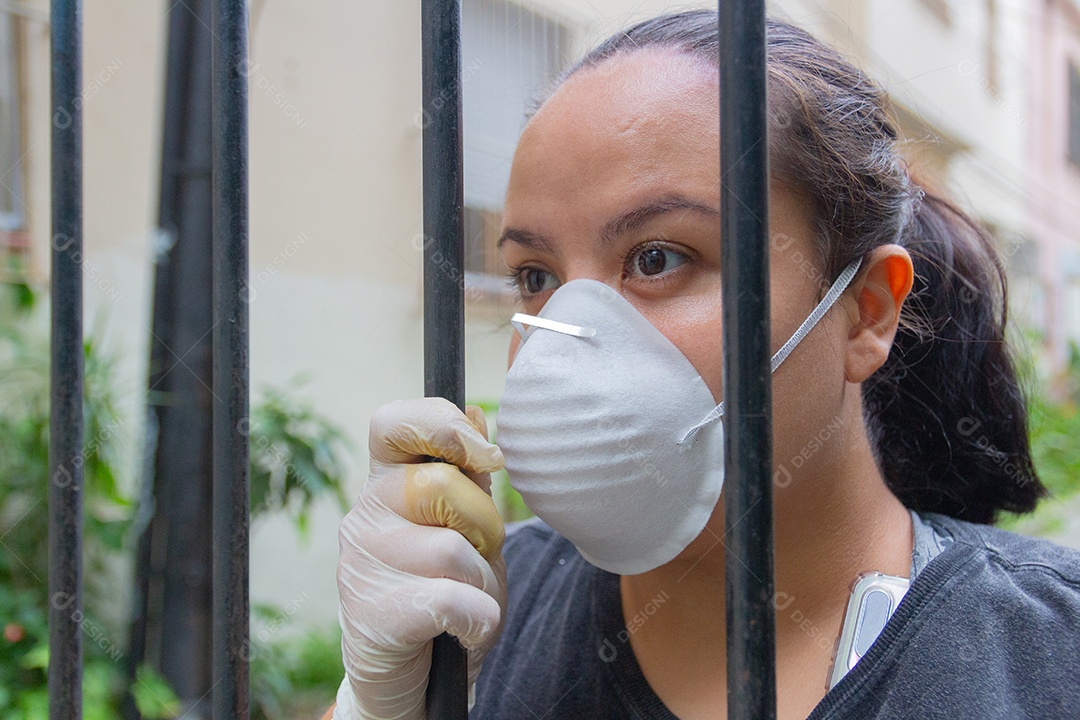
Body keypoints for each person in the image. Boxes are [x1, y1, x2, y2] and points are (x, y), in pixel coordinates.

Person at [324, 10, 1080, 720]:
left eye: (657, 258)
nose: (565, 338)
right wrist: (378, 705)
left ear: (867, 311)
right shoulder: (478, 613)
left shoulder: (1050, 653)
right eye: (536, 275)